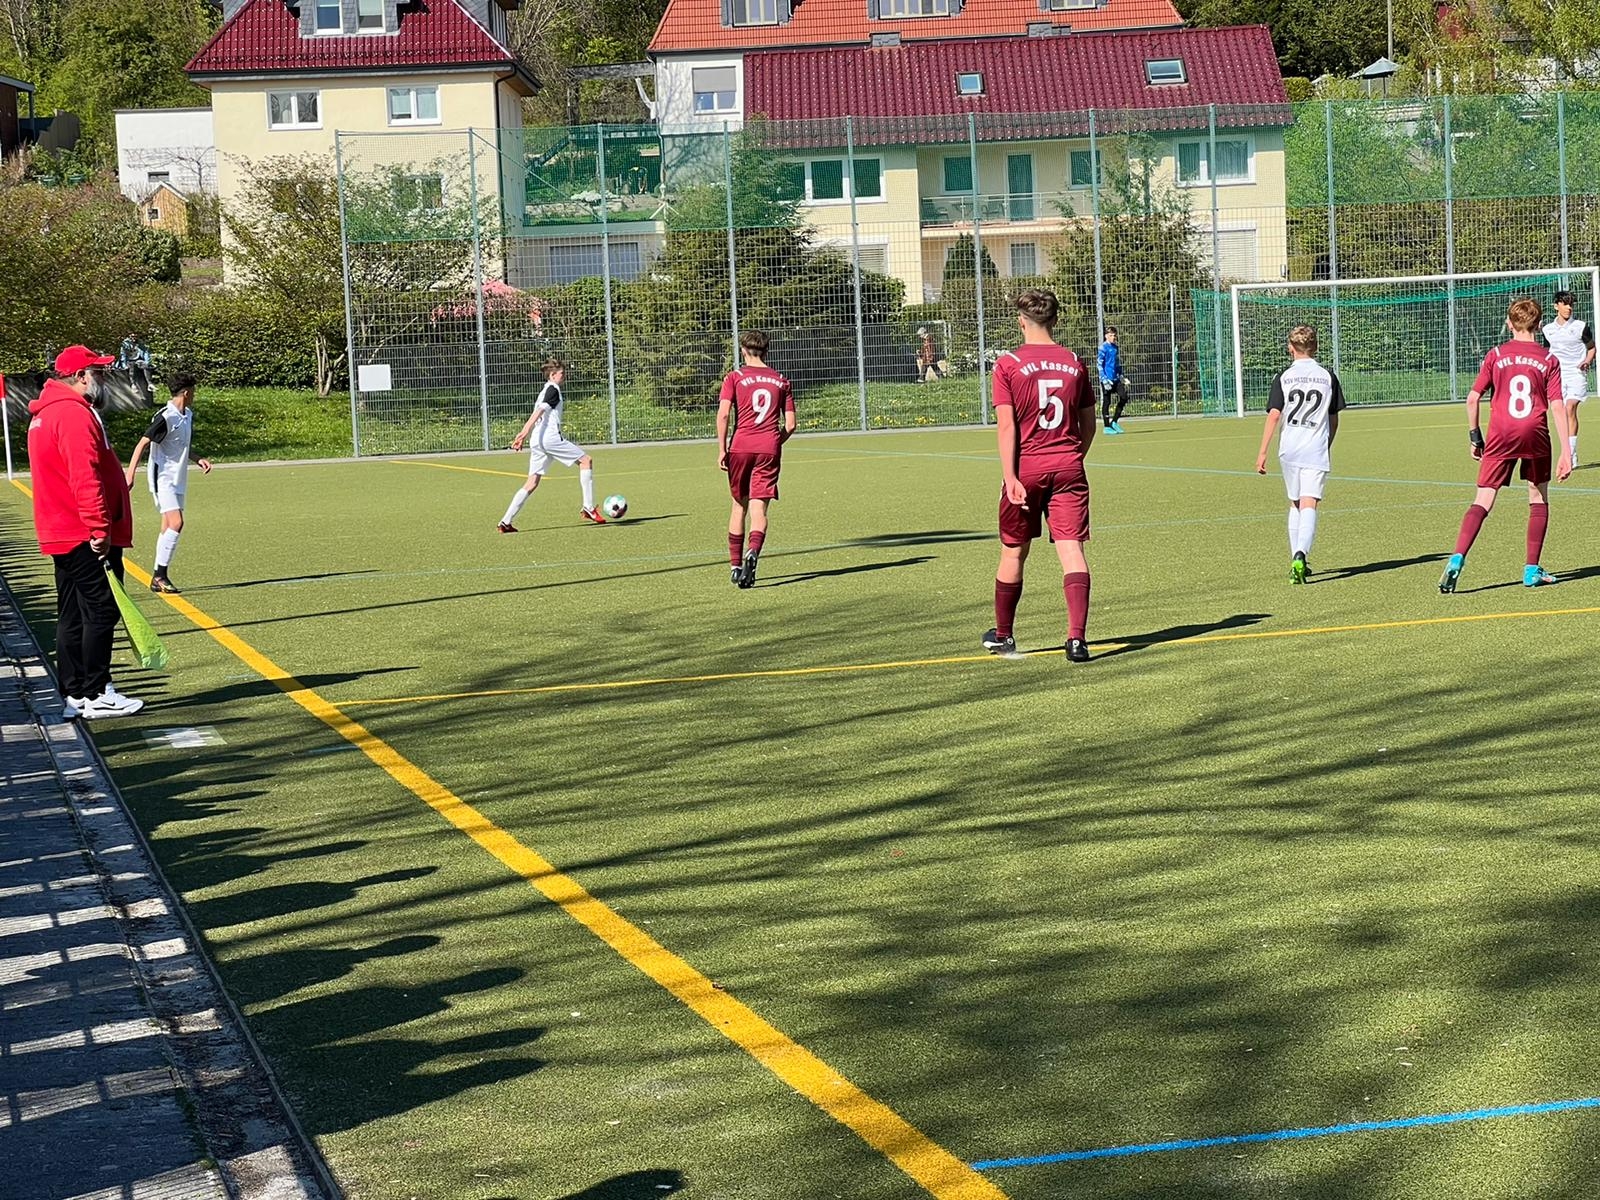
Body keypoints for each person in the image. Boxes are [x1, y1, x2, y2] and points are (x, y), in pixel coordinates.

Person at [26, 345, 144, 719]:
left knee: (73, 612)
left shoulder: (49, 413)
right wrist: (99, 527)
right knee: (100, 609)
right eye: (99, 371)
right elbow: (84, 475)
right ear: (80, 376)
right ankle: (95, 691)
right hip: (81, 530)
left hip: (63, 527)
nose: (104, 377)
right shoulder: (73, 414)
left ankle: (76, 692)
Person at [982, 288, 1097, 662]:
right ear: (1055, 319)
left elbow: (1006, 428)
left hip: (1027, 470)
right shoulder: (1074, 361)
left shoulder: (1008, 363)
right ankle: (1077, 640)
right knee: (1072, 551)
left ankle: (1003, 635)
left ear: (1021, 321)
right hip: (1068, 467)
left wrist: (1010, 476)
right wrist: (1073, 456)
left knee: (1014, 551)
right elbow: (1088, 424)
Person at [1439, 297, 1573, 594]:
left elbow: (1472, 399)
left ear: (1509, 324)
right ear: (1539, 326)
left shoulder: (1496, 354)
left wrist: (1475, 438)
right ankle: (1530, 570)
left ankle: (1458, 557)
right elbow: (1557, 406)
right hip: (1535, 432)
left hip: (1500, 433)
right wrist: (1567, 450)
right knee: (1538, 499)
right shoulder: (1549, 359)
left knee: (1483, 499)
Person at [1254, 325, 1346, 584]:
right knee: (1310, 503)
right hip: (1315, 447)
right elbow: (1334, 419)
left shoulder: (1284, 376)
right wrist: (1326, 445)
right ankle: (1300, 554)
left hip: (1289, 448)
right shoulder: (1327, 376)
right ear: (1315, 348)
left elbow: (1274, 415)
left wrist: (1262, 452)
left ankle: (1295, 561)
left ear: (1290, 348)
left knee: (1295, 502)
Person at [717, 329, 796, 588]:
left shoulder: (735, 377)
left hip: (740, 447)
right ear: (767, 351)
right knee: (758, 509)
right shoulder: (781, 380)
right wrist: (774, 442)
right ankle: (754, 551)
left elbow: (724, 415)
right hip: (768, 448)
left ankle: (735, 565)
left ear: (743, 350)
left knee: (738, 506)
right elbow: (791, 425)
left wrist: (722, 448)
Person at [124, 372, 212, 594]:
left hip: (178, 477)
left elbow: (181, 444)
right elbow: (141, 444)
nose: (194, 394)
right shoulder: (166, 417)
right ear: (186, 392)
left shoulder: (187, 414)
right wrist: (130, 474)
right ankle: (160, 575)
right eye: (193, 390)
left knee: (167, 526)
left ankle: (157, 576)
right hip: (162, 477)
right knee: (176, 522)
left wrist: (197, 458)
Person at [498, 360, 605, 531]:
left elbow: (538, 411)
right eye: (561, 373)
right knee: (586, 461)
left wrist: (527, 434)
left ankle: (505, 521)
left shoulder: (544, 391)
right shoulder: (553, 389)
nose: (564, 376)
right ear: (552, 375)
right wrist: (524, 432)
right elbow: (540, 411)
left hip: (538, 441)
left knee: (531, 483)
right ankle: (589, 507)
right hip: (550, 439)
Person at [1541, 289, 1594, 466]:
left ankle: (1571, 453)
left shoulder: (1581, 326)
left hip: (1576, 374)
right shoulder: (1548, 330)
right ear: (1556, 306)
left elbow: (1592, 348)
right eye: (1565, 304)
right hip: (1557, 376)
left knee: (1570, 407)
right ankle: (1567, 449)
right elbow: (1546, 352)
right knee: (1561, 411)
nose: (1569, 307)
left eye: (1571, 304)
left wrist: (1587, 361)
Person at [1097, 325, 1130, 434]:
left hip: (1115, 379)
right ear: (1106, 336)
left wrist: (1121, 376)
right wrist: (1104, 379)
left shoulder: (1115, 348)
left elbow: (1116, 364)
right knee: (1107, 402)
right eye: (1111, 335)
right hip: (1107, 380)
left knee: (1124, 397)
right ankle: (1106, 427)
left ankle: (1114, 422)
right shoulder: (1103, 348)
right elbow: (1099, 364)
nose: (1113, 337)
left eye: (1114, 336)